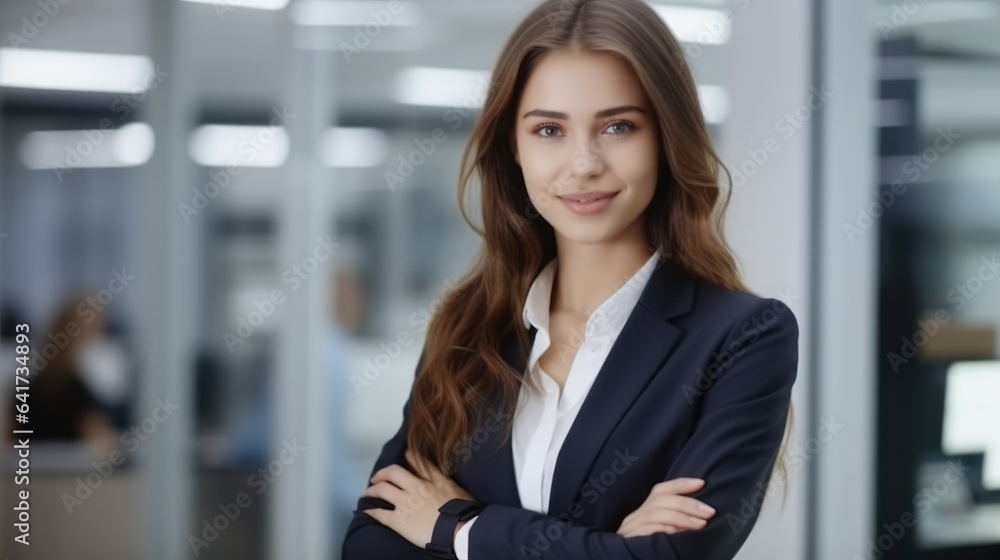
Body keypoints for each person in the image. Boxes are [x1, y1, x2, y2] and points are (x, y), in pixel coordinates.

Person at [342, 0, 799, 558]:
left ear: (666, 137)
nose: (583, 163)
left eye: (618, 126)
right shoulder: (469, 325)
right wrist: (607, 545)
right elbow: (371, 543)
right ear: (514, 146)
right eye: (549, 129)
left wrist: (460, 528)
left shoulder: (743, 338)